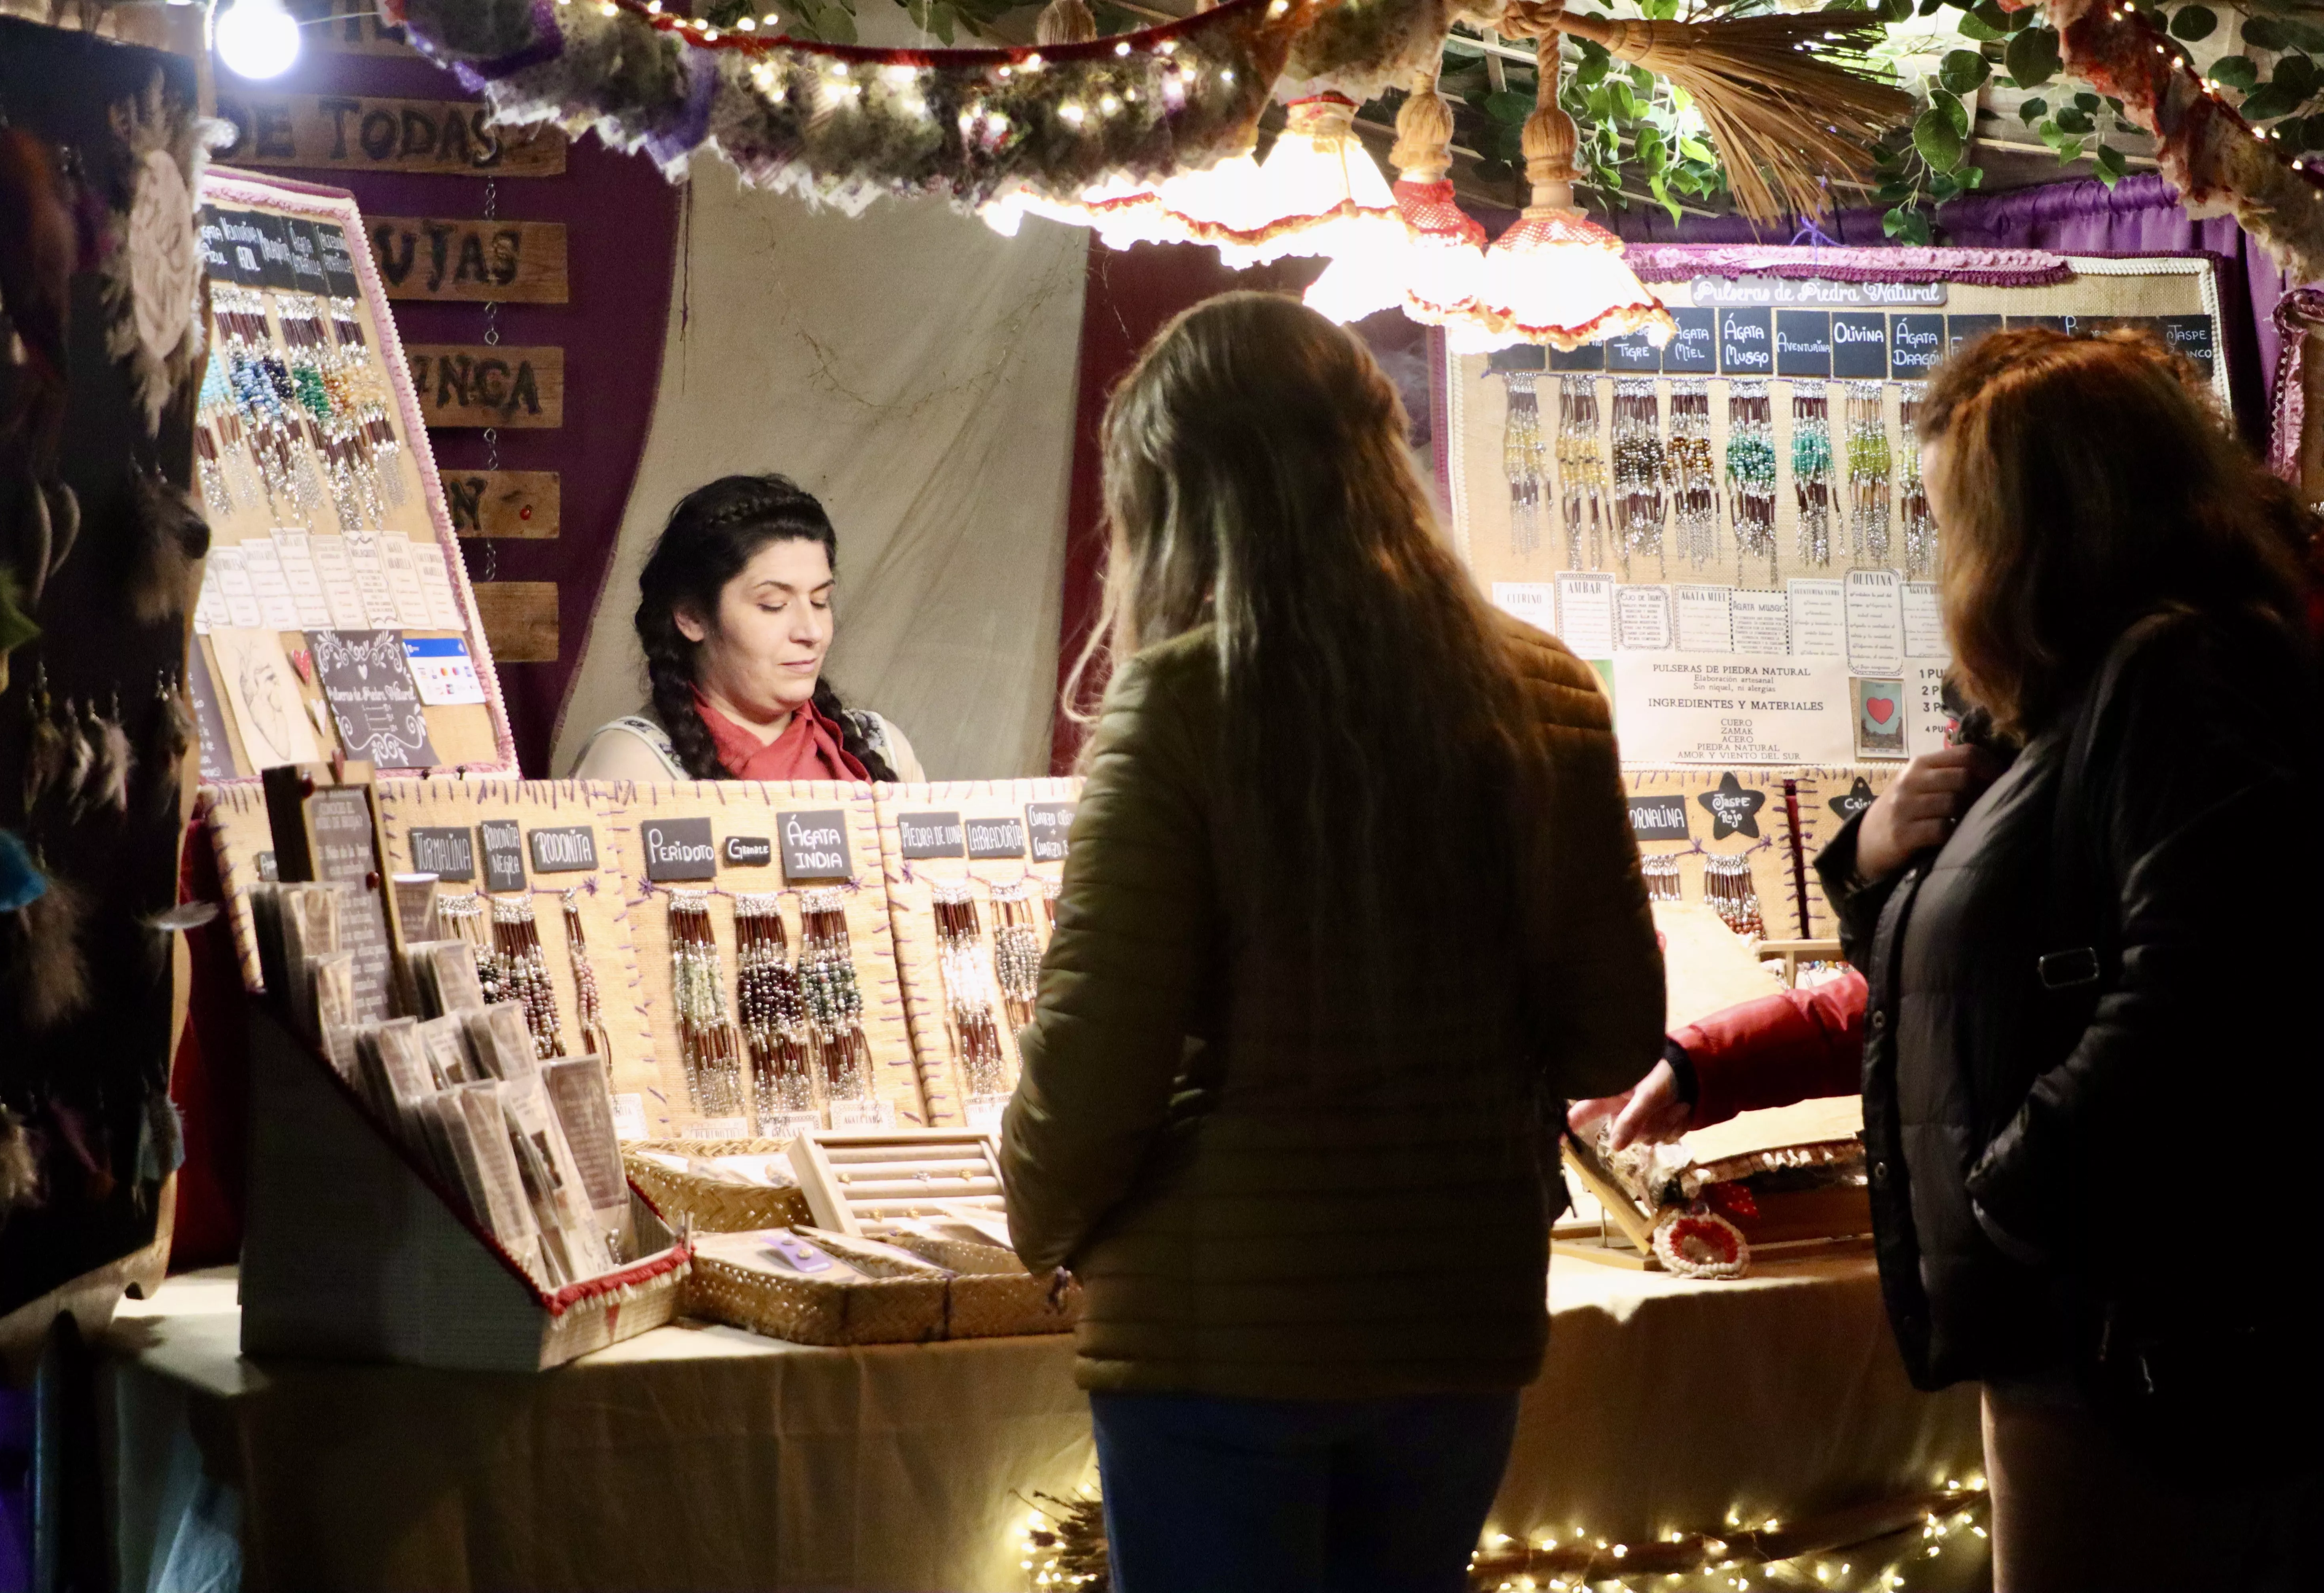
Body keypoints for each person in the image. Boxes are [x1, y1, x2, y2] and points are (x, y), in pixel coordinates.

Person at [1575, 329, 2324, 1591]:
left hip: (2136, 1340)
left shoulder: (2178, 672)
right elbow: (1953, 987)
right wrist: (1862, 868)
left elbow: (2205, 984)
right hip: (2070, 1329)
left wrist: (2011, 1192)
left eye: (1949, 517)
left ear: (2042, 519)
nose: (1939, 557)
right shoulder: (2050, 710)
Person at [997, 292, 1664, 1593]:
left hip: (1219, 1333)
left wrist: (1038, 1222)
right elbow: (1612, 1033)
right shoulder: (1545, 693)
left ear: (1182, 496)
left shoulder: (1184, 700)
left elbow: (1097, 1064)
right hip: (1458, 1316)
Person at [570, 474, 925, 782]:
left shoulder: (882, 751)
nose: (811, 632)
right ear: (692, 617)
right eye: (774, 605)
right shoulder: (633, 763)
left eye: (820, 601)